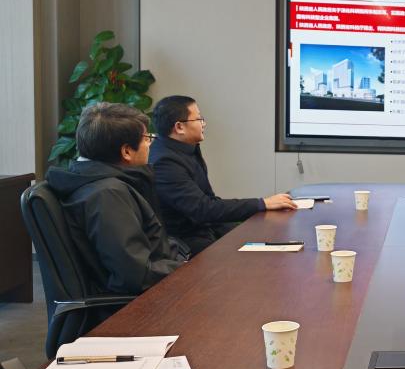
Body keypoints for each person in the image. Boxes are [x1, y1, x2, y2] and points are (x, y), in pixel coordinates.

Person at [46, 102, 185, 295]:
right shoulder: (107, 195)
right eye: (146, 138)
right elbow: (137, 275)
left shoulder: (95, 182)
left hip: (161, 279)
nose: (150, 144)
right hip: (147, 299)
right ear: (126, 151)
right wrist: (188, 270)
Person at [149, 95, 297, 254]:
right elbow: (203, 209)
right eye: (199, 119)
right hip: (186, 243)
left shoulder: (186, 149)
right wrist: (262, 204)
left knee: (267, 235)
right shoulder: (164, 161)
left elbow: (210, 201)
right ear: (179, 127)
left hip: (209, 229)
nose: (204, 123)